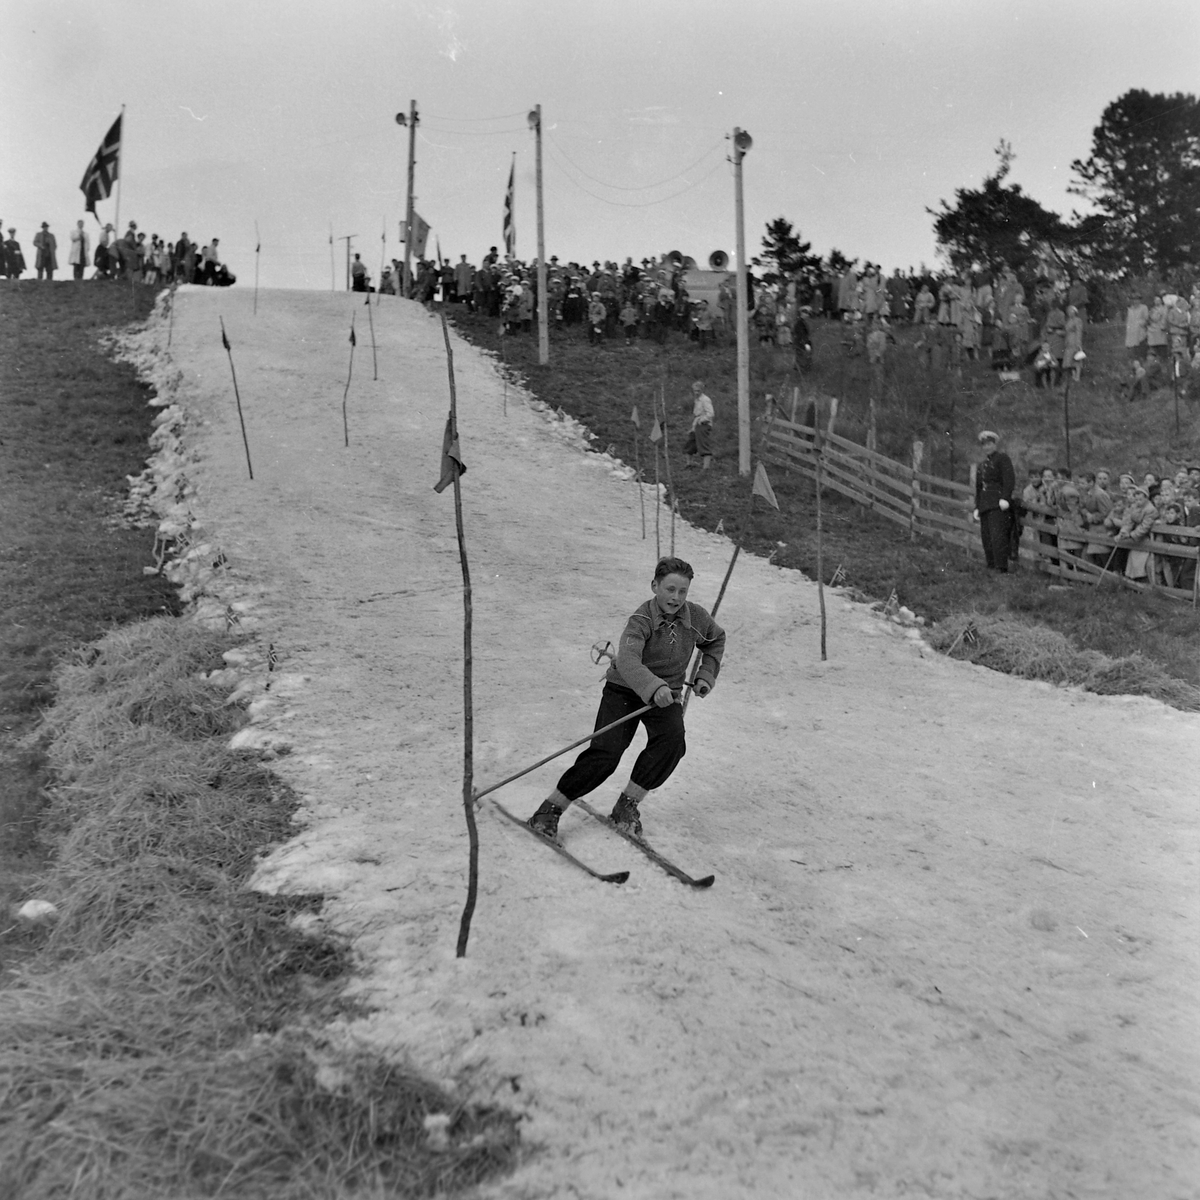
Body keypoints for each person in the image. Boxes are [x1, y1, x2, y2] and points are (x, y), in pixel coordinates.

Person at [526, 556, 726, 842]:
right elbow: (629, 660)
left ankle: (627, 805)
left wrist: (706, 674)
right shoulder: (641, 620)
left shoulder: (696, 618)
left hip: (666, 695)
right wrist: (653, 686)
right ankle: (549, 810)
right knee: (606, 754)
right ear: (655, 586)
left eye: (683, 591)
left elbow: (715, 639)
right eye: (670, 589)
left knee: (672, 743)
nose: (676, 597)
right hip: (625, 690)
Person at [973, 430, 1015, 572]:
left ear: (995, 444)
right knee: (987, 537)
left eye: (990, 444)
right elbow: (978, 487)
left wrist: (1005, 498)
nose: (987, 447)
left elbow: (1009, 480)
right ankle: (990, 565)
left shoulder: (1002, 459)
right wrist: (977, 506)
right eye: (984, 445)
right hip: (985, 504)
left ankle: (1001, 567)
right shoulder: (982, 465)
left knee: (998, 536)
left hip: (997, 503)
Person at [685, 380, 714, 470]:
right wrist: (694, 426)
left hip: (703, 424)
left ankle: (706, 467)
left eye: (698, 391)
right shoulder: (697, 400)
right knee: (690, 443)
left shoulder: (705, 400)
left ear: (702, 390)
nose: (696, 393)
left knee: (703, 444)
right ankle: (689, 463)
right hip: (696, 423)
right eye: (695, 391)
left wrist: (702, 421)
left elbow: (710, 413)